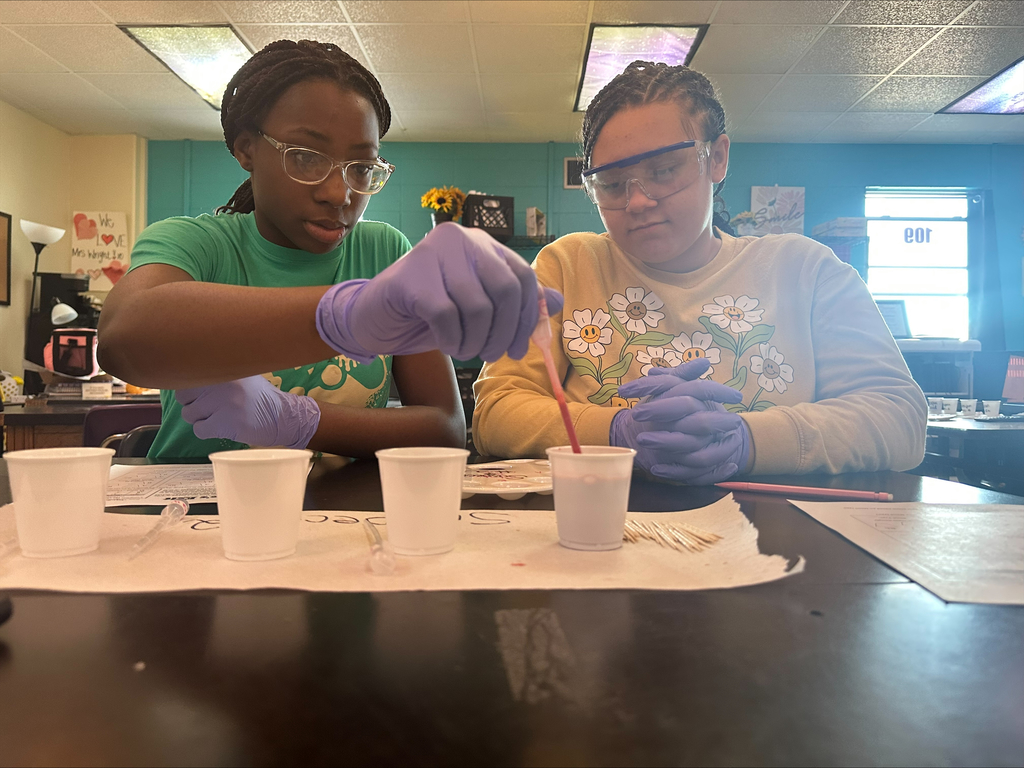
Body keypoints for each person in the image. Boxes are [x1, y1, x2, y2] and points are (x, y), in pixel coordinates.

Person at [98, 40, 560, 460]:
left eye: (361, 167)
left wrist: (298, 421)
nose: (339, 194)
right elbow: (123, 340)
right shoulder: (196, 245)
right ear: (246, 150)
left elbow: (444, 428)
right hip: (198, 517)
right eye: (306, 157)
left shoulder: (382, 251)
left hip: (344, 519)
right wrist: (345, 314)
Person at [473, 61, 926, 483]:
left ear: (718, 158)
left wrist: (751, 441)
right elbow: (494, 410)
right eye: (611, 184)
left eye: (665, 170)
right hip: (602, 536)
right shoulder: (567, 266)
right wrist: (615, 430)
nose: (637, 201)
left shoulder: (807, 270)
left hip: (777, 541)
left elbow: (899, 417)